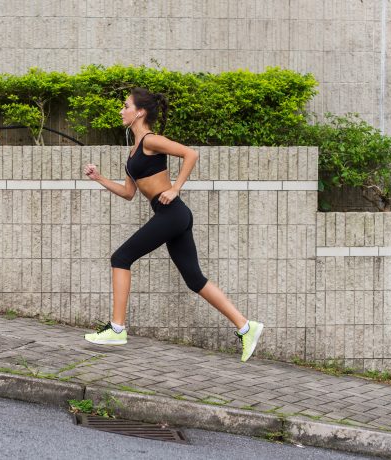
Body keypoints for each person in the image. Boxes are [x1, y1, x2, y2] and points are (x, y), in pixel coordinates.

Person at [82, 87, 264, 362]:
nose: (122, 111)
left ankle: (117, 328)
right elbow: (129, 193)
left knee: (121, 257)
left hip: (172, 213)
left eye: (126, 106)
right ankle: (247, 327)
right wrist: (100, 178)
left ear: (139, 112)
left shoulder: (151, 141)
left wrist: (176, 188)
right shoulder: (133, 151)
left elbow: (190, 154)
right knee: (195, 280)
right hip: (171, 215)